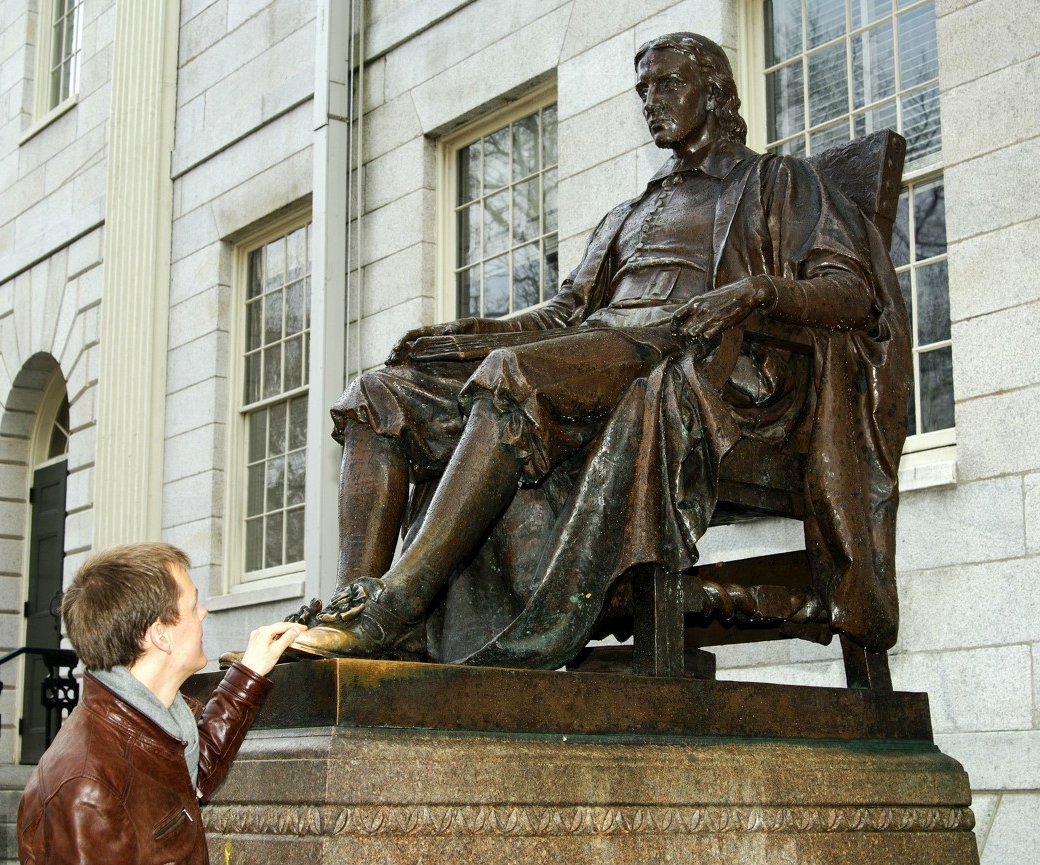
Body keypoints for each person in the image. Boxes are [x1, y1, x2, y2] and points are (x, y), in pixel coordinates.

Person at [287, 32, 909, 668]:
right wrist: (473, 333)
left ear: (716, 92)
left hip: (690, 358)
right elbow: (565, 312)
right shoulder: (629, 212)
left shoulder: (777, 181)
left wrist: (754, 292)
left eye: (668, 84)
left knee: (512, 378)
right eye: (644, 88)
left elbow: (853, 293)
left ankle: (396, 608)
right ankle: (348, 615)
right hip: (595, 351)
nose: (651, 100)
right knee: (376, 394)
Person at [17, 543, 301, 865]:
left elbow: (190, 772)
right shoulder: (87, 790)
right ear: (160, 635)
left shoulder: (148, 723)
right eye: (193, 606)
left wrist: (249, 673)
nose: (203, 613)